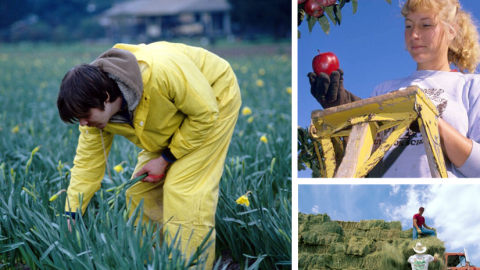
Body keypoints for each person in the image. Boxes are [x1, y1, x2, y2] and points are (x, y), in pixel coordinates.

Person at [56, 41, 242, 269]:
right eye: (79, 118)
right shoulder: (93, 112)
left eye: (85, 115)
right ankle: (152, 261)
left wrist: (165, 159)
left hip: (212, 99)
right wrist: (71, 215)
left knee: (183, 189)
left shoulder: (159, 72)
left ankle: (192, 265)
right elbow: (87, 166)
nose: (83, 123)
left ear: (105, 97)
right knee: (139, 190)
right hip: (175, 114)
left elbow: (204, 114)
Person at [307, 0, 480, 179]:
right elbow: (360, 159)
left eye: (426, 25)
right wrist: (341, 108)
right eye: (408, 26)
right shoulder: (384, 89)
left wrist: (431, 122)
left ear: (452, 30)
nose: (414, 34)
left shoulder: (471, 87)